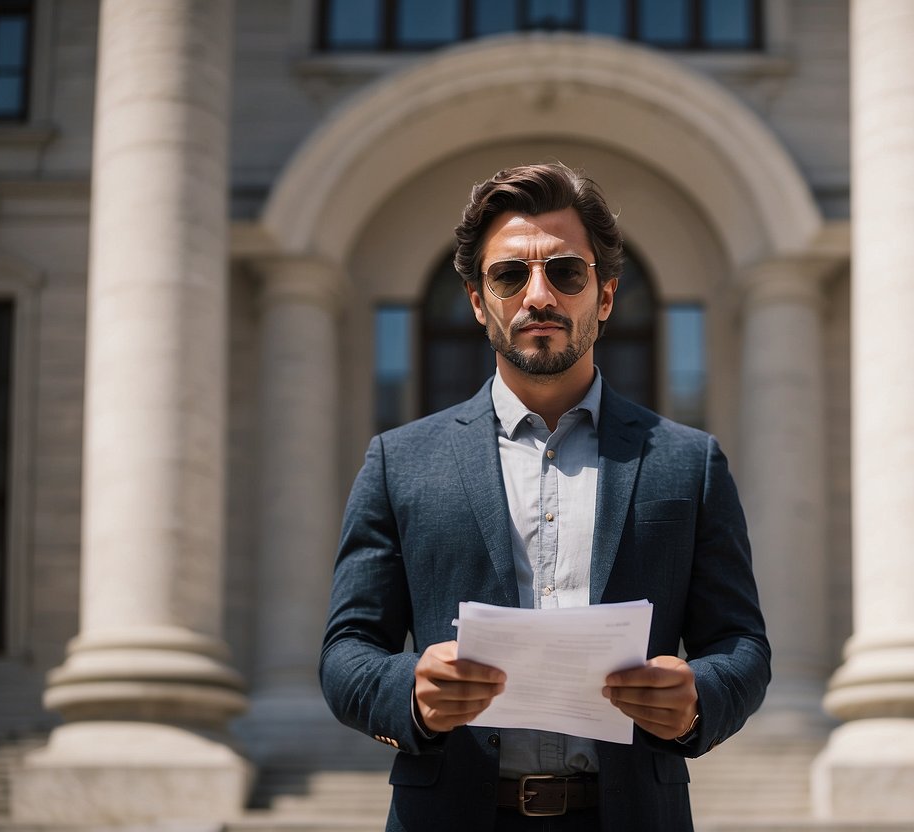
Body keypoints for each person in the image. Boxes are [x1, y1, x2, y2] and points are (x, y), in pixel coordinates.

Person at [320, 163, 770, 831]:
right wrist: (409, 691)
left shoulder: (688, 462)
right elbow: (346, 650)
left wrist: (697, 697)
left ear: (605, 295)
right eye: (509, 275)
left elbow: (741, 646)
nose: (539, 296)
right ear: (478, 301)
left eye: (566, 273)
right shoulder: (399, 462)